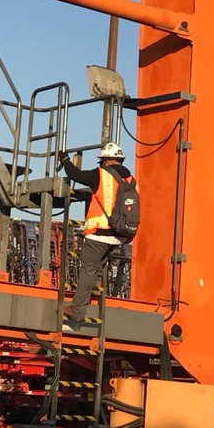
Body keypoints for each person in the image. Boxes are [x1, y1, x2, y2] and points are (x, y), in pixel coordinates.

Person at [59, 141, 132, 334]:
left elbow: (76, 175)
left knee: (88, 269)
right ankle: (88, 302)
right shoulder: (130, 180)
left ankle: (76, 314)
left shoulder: (101, 175)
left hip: (100, 233)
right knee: (97, 269)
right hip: (120, 236)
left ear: (106, 161)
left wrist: (64, 159)